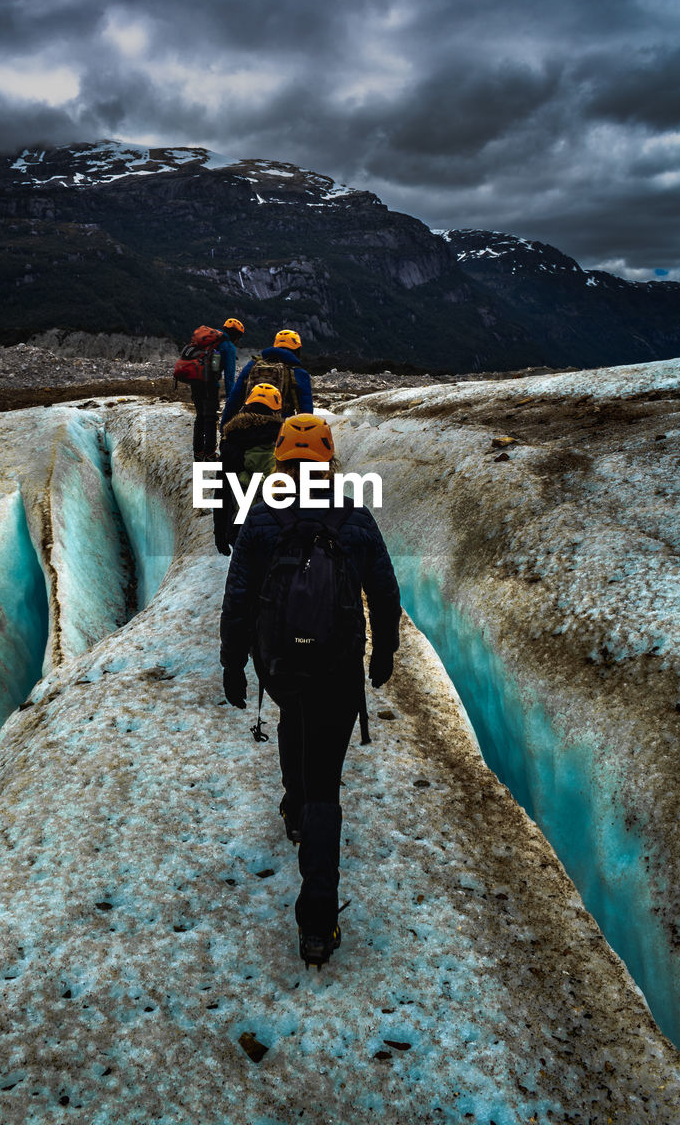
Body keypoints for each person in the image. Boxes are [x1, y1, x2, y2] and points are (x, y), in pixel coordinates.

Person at [219, 414, 401, 968]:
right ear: (328, 458)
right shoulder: (353, 515)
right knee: (327, 779)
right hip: (338, 666)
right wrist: (384, 651)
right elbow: (386, 593)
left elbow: (240, 597)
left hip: (278, 663)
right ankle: (318, 922)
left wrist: (234, 663)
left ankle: (294, 808)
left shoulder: (262, 515)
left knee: (292, 721)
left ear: (278, 457)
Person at [213, 383, 283, 556]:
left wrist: (220, 533)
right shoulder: (284, 438)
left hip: (240, 524)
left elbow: (222, 490)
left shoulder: (233, 438)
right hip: (278, 523)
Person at [219, 329, 312, 430]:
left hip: (251, 424)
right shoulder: (298, 373)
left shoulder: (253, 365)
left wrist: (224, 428)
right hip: (281, 428)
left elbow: (234, 400)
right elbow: (306, 410)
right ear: (297, 349)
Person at [189, 318, 244, 461]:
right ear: (236, 336)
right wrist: (232, 400)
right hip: (210, 385)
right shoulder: (228, 346)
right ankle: (210, 454)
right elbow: (229, 378)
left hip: (195, 383)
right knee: (210, 417)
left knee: (200, 416)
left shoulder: (207, 340)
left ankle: (198, 452)